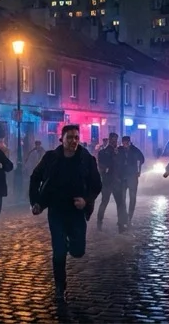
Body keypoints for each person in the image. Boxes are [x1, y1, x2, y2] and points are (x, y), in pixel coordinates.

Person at [29, 125, 101, 302]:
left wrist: (86, 200)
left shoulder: (86, 159)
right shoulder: (51, 158)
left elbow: (96, 185)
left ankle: (70, 244)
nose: (73, 141)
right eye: (70, 137)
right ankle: (60, 286)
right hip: (56, 210)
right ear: (62, 139)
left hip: (76, 211)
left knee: (78, 251)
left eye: (76, 137)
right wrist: (36, 202)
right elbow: (35, 177)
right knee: (58, 251)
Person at [114, 135, 145, 231]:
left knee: (132, 198)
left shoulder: (135, 150)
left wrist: (139, 170)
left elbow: (142, 159)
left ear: (129, 142)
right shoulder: (119, 150)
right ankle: (124, 217)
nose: (125, 145)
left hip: (132, 177)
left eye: (127, 143)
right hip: (122, 177)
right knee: (122, 198)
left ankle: (130, 217)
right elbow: (115, 161)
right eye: (124, 143)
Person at [95, 137, 121, 231]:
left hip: (111, 181)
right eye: (113, 141)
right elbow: (102, 167)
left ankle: (120, 223)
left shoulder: (115, 152)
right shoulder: (107, 152)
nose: (115, 143)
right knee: (107, 202)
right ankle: (100, 222)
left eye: (115, 141)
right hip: (109, 181)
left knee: (109, 202)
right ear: (110, 141)